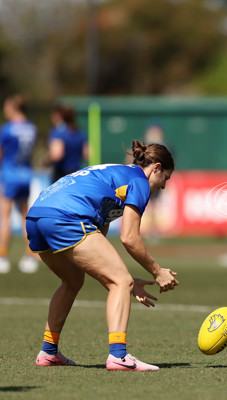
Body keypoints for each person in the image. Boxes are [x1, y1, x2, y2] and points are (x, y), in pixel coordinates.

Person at [26, 140, 179, 371]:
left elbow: (98, 244)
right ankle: (118, 356)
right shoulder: (140, 181)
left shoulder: (118, 174)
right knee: (120, 281)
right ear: (156, 167)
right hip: (66, 216)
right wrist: (155, 272)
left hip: (37, 217)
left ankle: (48, 352)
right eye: (166, 178)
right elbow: (129, 238)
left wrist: (121, 278)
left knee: (73, 281)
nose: (165, 186)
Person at [0, 94, 38, 274]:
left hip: (9, 174)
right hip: (25, 175)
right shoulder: (31, 127)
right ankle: (30, 256)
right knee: (24, 217)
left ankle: (2, 257)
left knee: (5, 217)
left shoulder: (7, 129)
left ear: (13, 108)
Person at [45, 103, 88, 183]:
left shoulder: (58, 132)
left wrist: (46, 160)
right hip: (76, 174)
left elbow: (57, 155)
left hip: (62, 175)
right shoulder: (79, 131)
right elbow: (86, 154)